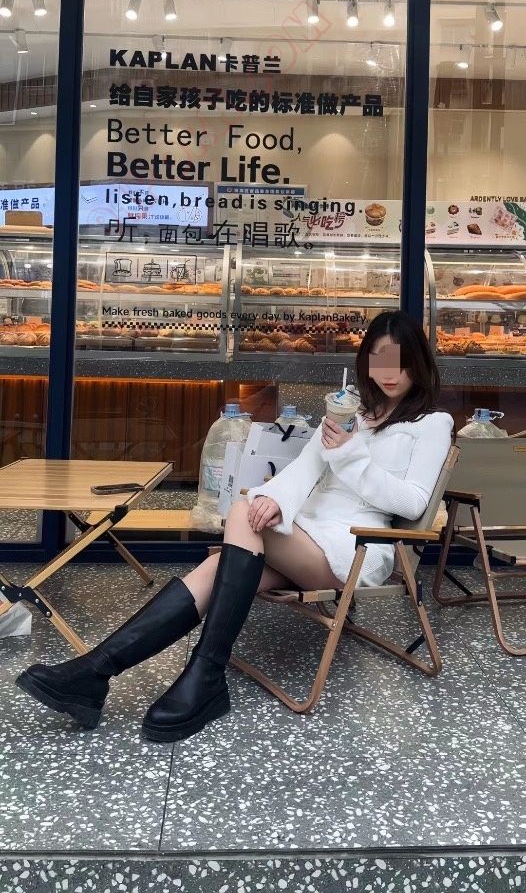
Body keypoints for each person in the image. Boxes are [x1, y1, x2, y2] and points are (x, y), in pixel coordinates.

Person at [16, 310, 453, 744]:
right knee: (222, 558)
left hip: (355, 548)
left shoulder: (432, 424)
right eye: (380, 359)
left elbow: (412, 502)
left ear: (417, 361)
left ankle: (204, 675)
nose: (390, 372)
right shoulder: (351, 415)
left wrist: (349, 456)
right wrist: (275, 499)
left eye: (400, 361)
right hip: (307, 536)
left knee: (244, 514)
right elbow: (300, 473)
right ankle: (97, 672)